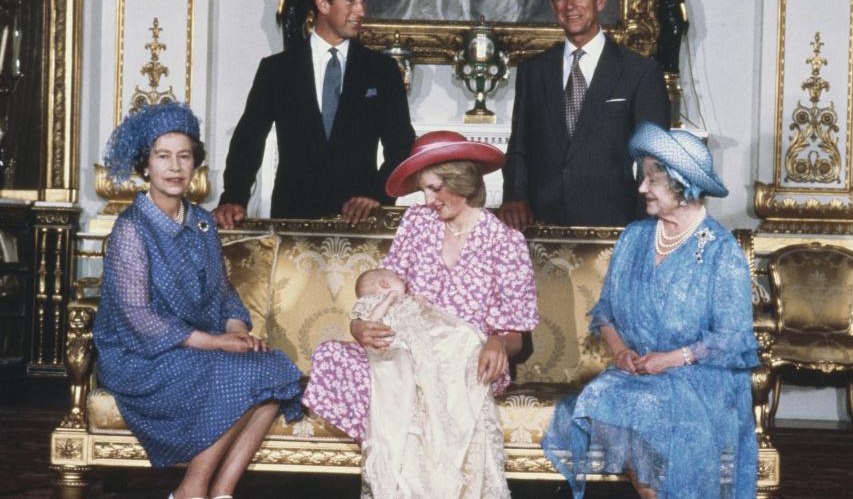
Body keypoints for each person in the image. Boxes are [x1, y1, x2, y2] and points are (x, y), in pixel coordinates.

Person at [303, 131, 539, 497]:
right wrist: (359, 326)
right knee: (332, 357)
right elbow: (384, 290)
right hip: (407, 350)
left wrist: (497, 341)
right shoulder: (416, 223)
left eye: (434, 188)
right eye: (423, 190)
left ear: (462, 182)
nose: (428, 200)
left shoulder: (506, 242)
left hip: (467, 361)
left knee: (426, 397)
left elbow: (515, 335)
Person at [95, 103, 303, 499]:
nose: (174, 167)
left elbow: (223, 294)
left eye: (184, 156)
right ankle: (191, 489)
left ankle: (221, 491)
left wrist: (238, 331)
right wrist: (217, 343)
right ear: (145, 165)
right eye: (163, 156)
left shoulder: (203, 222)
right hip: (141, 356)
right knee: (239, 375)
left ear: (195, 165)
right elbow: (139, 319)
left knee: (274, 368)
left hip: (197, 348)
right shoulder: (132, 229)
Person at [541, 122, 759, 498]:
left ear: (681, 184)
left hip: (700, 378)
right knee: (607, 398)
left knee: (651, 410)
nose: (642, 188)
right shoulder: (635, 238)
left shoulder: (722, 253)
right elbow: (605, 311)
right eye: (643, 178)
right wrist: (620, 351)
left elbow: (733, 339)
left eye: (652, 181)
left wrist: (671, 359)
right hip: (638, 375)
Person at [214, 0, 415, 227]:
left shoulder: (383, 70)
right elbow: (248, 139)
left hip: (360, 221)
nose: (362, 10)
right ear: (323, 4)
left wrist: (376, 195)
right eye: (351, 0)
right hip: (292, 218)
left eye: (364, 0)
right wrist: (234, 197)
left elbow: (402, 146)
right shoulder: (277, 70)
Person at [500, 0, 670, 229]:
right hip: (543, 223)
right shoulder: (533, 71)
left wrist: (644, 225)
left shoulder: (640, 71)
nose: (570, 6)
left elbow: (654, 158)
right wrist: (514, 196)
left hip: (616, 223)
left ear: (600, 0)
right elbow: (520, 145)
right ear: (552, 5)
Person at [350, 268, 500, 498]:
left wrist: (420, 303)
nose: (405, 286)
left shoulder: (406, 299)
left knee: (461, 337)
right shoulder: (376, 300)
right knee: (417, 359)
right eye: (398, 282)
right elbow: (371, 320)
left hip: (426, 337)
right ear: (384, 283)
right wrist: (388, 300)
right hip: (394, 342)